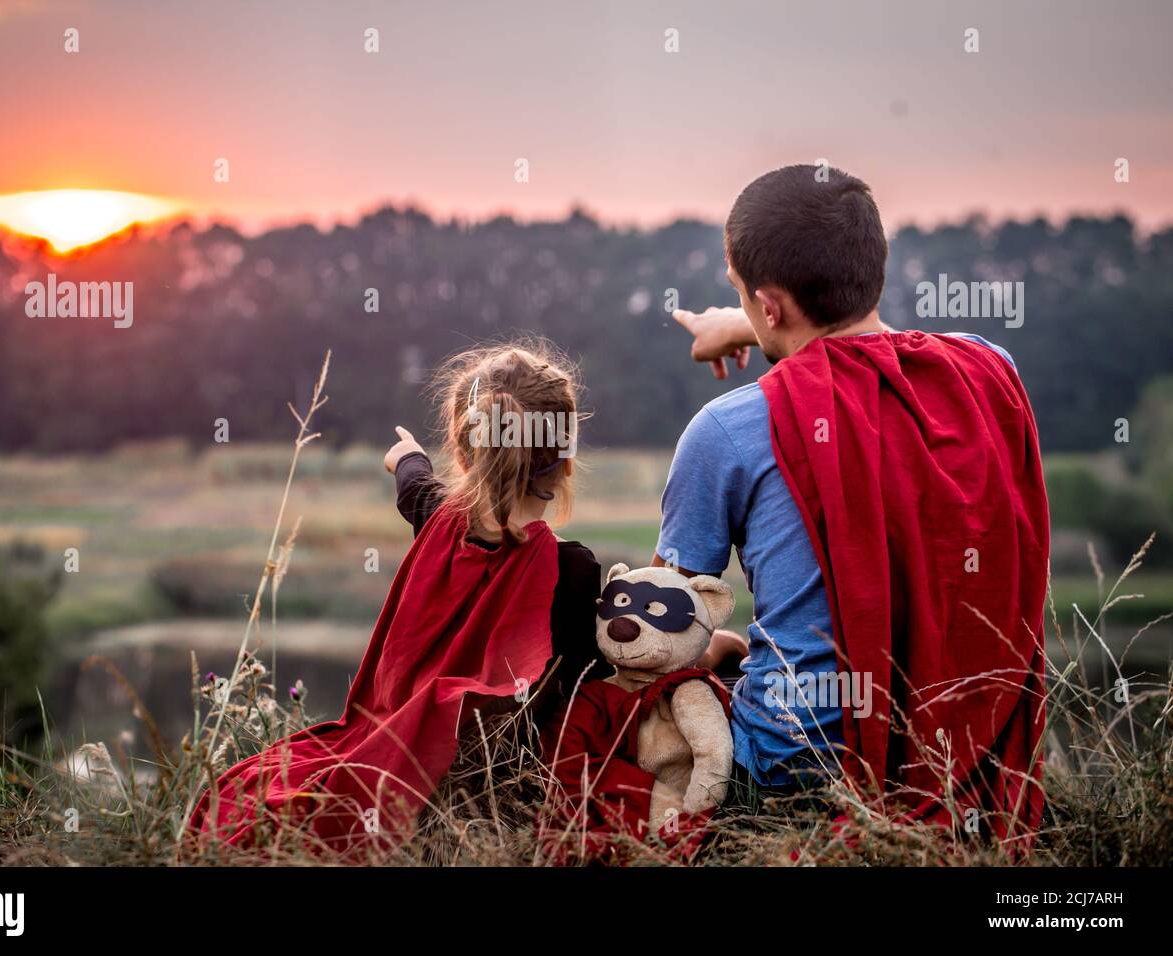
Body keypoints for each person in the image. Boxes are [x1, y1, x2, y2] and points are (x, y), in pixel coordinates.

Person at [659, 165, 1050, 840]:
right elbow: (863, 348)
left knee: (630, 714)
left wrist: (720, 645)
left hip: (796, 768)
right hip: (970, 760)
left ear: (769, 304)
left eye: (743, 296)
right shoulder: (991, 372)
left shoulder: (727, 429)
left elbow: (661, 629)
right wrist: (755, 321)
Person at [189, 341, 606, 855]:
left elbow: (414, 485)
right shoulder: (574, 569)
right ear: (564, 462)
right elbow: (589, 680)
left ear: (463, 450)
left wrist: (406, 456)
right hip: (503, 785)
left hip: (400, 755)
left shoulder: (437, 522)